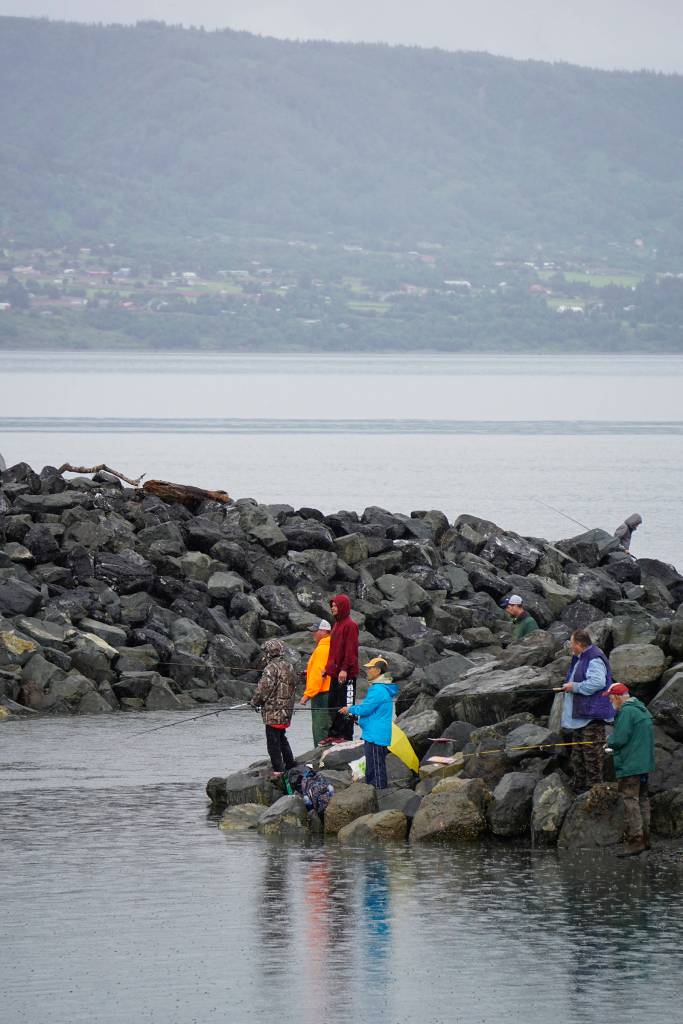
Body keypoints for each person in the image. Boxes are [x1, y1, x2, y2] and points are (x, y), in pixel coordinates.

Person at [606, 682, 655, 856]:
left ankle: (636, 841)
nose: (611, 702)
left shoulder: (626, 712)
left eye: (611, 698)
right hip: (644, 765)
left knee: (630, 800)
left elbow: (619, 738)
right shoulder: (642, 709)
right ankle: (646, 838)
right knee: (642, 799)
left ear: (618, 697)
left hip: (631, 765)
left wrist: (609, 742)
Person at [561, 629, 614, 791]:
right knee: (578, 755)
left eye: (571, 643)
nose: (570, 646)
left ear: (579, 644)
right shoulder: (581, 657)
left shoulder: (594, 658)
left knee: (591, 755)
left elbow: (598, 682)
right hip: (581, 716)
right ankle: (579, 788)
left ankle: (594, 791)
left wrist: (575, 687)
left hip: (592, 715)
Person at [341, 656, 397, 790]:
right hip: (374, 734)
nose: (367, 671)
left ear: (377, 671)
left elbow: (365, 709)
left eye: (370, 668)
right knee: (372, 766)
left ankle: (379, 792)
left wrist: (349, 709)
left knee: (376, 767)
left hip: (375, 735)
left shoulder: (378, 689)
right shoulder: (382, 688)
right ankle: (373, 790)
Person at [250, 638, 297, 779]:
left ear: (269, 653)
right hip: (286, 711)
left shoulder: (270, 668)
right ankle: (290, 764)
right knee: (281, 737)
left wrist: (254, 702)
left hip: (273, 712)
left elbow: (263, 689)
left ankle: (278, 769)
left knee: (273, 741)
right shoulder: (289, 666)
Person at [320, 593, 359, 745]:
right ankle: (335, 733)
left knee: (346, 705)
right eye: (332, 606)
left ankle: (346, 735)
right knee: (333, 703)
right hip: (336, 673)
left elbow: (351, 650)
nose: (332, 608)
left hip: (347, 674)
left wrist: (344, 669)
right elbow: (334, 651)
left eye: (335, 606)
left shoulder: (351, 625)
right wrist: (328, 669)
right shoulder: (336, 625)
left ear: (342, 607)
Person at [299, 619, 332, 747]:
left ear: (324, 631)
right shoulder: (330, 646)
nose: (313, 634)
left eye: (315, 631)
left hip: (322, 694)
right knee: (328, 726)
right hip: (329, 691)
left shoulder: (322, 649)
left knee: (320, 728)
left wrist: (307, 695)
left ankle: (319, 758)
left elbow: (319, 674)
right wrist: (308, 672)